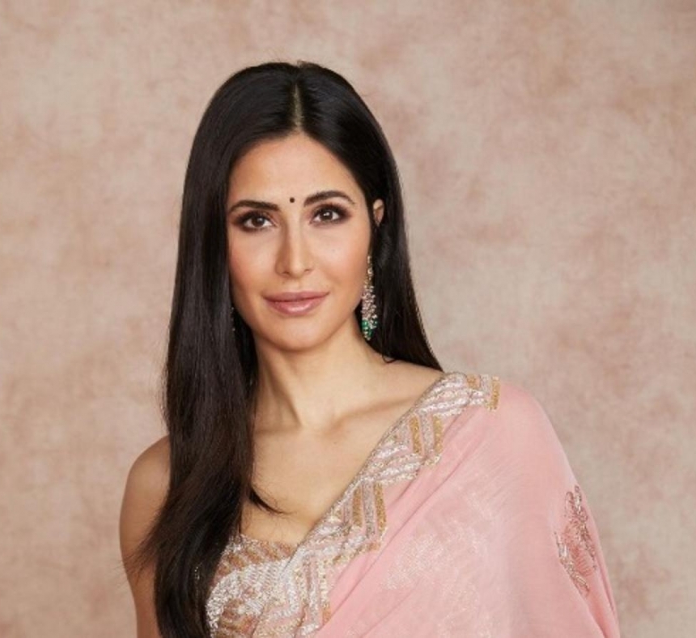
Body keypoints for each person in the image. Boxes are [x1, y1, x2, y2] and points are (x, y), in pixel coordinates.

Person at [119, 60, 621, 638]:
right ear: (213, 243)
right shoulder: (167, 483)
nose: (295, 261)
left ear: (374, 229)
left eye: (327, 214)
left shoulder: (493, 431)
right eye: (256, 221)